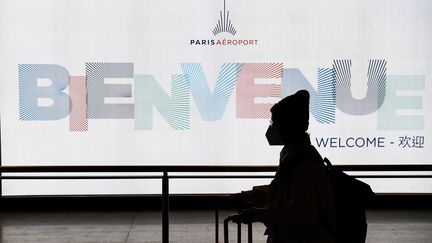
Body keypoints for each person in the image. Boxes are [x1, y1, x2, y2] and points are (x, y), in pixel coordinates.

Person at [228, 90, 337, 243]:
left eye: (275, 123)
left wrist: (257, 215)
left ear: (288, 126)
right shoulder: (295, 155)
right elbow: (280, 192)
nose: (271, 128)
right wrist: (247, 196)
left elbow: (300, 215)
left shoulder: (303, 164)